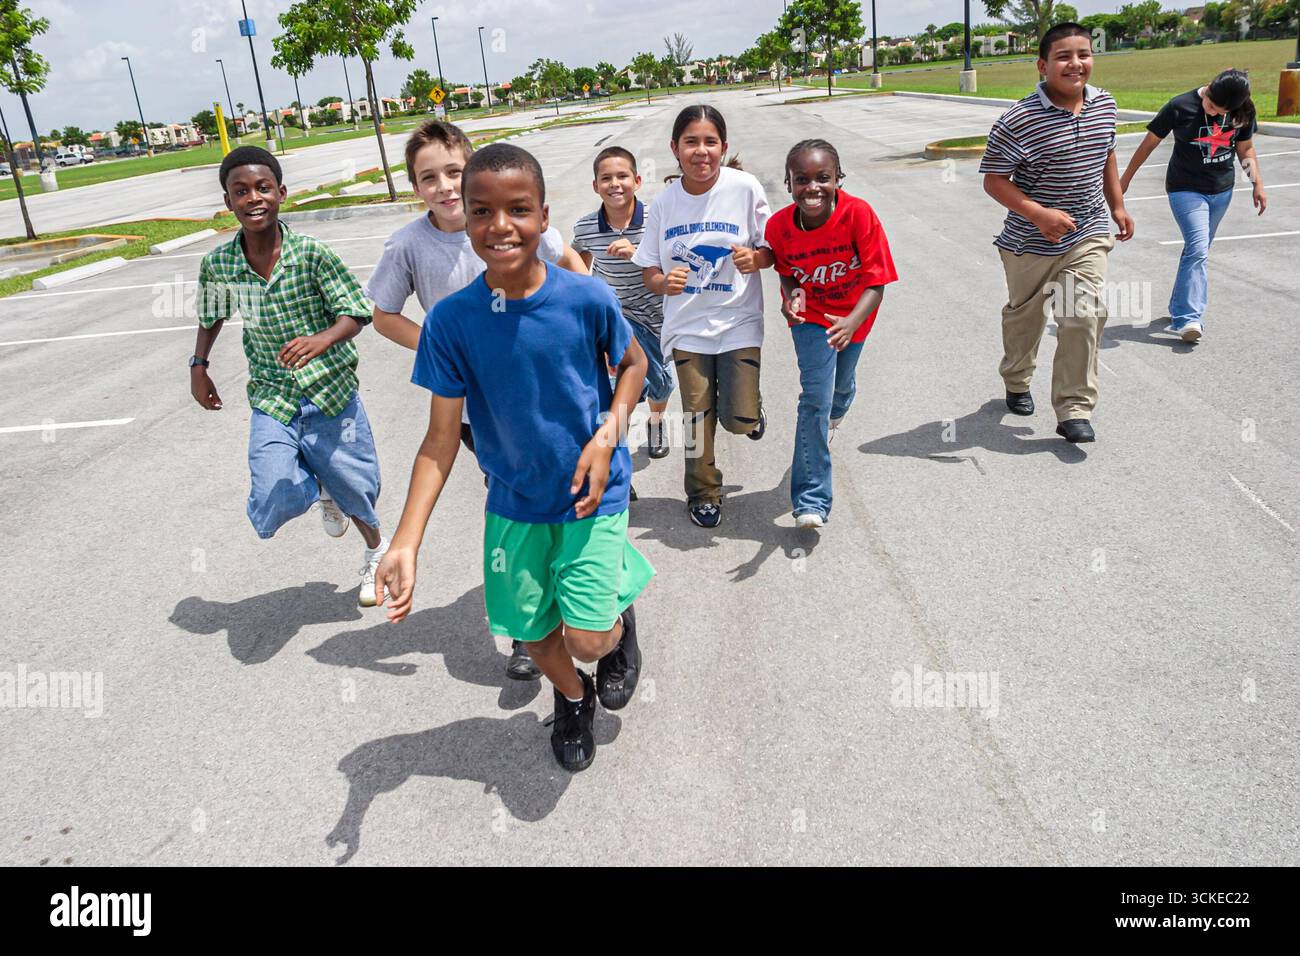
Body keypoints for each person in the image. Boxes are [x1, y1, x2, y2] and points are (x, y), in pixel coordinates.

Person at [375, 144, 653, 773]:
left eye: (518, 210)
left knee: (587, 635)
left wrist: (607, 436)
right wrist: (405, 540)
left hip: (591, 493)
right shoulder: (451, 323)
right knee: (532, 634)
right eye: (483, 212)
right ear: (467, 220)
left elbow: (633, 364)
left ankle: (615, 617)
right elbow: (440, 442)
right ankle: (573, 698)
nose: (500, 226)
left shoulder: (585, 298)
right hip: (514, 502)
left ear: (544, 216)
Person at [366, 119, 586, 681]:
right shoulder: (410, 245)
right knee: (511, 493)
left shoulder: (506, 219)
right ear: (415, 186)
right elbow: (383, 315)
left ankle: (596, 599)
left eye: (452, 173)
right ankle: (528, 628)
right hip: (475, 408)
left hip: (541, 388)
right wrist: (442, 350)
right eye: (426, 177)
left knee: (562, 495)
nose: (442, 186)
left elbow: (571, 267)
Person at [189, 146, 388, 605]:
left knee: (357, 486)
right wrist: (199, 366)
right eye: (240, 191)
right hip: (272, 396)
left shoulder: (311, 254)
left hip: (330, 391)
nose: (253, 198)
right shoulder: (219, 264)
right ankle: (321, 484)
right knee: (273, 496)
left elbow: (356, 313)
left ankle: (377, 552)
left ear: (280, 193)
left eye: (262, 188)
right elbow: (211, 313)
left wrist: (323, 339)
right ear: (228, 202)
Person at [979, 22, 1135, 445]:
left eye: (1083, 54)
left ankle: (1074, 408)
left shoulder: (1105, 104)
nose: (1075, 64)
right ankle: (1016, 377)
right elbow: (994, 179)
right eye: (1064, 56)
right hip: (1029, 243)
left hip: (1086, 232)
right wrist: (1039, 215)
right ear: (1042, 65)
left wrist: (1116, 204)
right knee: (1025, 321)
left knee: (1083, 314)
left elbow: (1107, 153)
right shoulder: (1019, 119)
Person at [633, 105, 774, 527]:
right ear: (674, 149)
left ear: (723, 147)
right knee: (696, 415)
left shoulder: (745, 188)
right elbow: (648, 268)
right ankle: (702, 493)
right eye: (690, 142)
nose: (701, 151)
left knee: (736, 418)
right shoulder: (664, 204)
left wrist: (757, 258)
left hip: (738, 322)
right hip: (688, 328)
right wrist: (663, 284)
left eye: (710, 142)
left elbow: (773, 248)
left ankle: (750, 407)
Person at [765, 138, 897, 528]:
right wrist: (791, 300)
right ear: (788, 183)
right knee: (814, 401)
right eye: (801, 179)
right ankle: (811, 500)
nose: (812, 187)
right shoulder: (779, 227)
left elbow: (877, 282)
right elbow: (787, 273)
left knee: (840, 391)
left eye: (823, 177)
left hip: (855, 315)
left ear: (839, 178)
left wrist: (852, 322)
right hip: (812, 322)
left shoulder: (859, 215)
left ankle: (837, 412)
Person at [1119, 69, 1267, 343]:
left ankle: (1178, 307)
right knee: (1198, 249)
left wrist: (1257, 182)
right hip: (1184, 188)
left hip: (1222, 190)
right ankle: (1189, 318)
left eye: (1219, 110)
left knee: (1196, 251)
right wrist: (1124, 180)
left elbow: (1244, 148)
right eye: (1210, 105)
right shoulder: (1180, 106)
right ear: (1209, 87)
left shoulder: (1243, 110)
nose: (1211, 113)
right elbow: (1148, 144)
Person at [572, 146, 674, 460]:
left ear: (637, 180)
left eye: (622, 176)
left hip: (658, 316)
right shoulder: (586, 228)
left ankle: (657, 421)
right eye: (606, 178)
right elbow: (579, 264)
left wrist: (637, 254)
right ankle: (617, 454)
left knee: (664, 385)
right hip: (617, 318)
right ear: (595, 186)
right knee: (619, 387)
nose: (615, 184)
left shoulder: (657, 222)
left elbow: (673, 266)